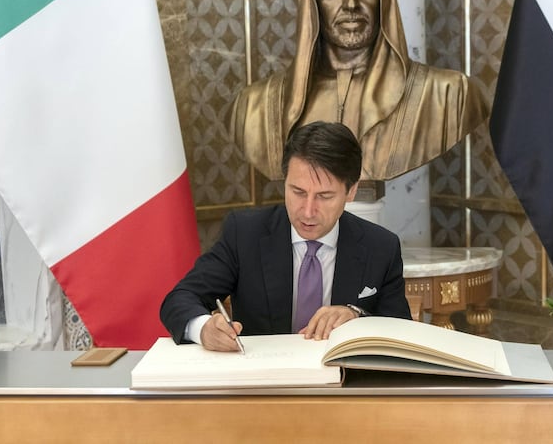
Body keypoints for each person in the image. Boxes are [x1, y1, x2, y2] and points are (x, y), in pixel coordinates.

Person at [228, 0, 487, 182]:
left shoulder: (450, 96)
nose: (351, 4)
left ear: (383, 0)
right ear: (313, 5)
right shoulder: (254, 107)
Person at [160, 121, 412, 351]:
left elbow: (401, 333)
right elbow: (180, 298)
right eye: (298, 191)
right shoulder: (245, 234)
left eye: (324, 196)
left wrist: (357, 318)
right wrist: (203, 328)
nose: (308, 211)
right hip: (263, 388)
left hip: (345, 388)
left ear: (351, 191)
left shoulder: (380, 247)